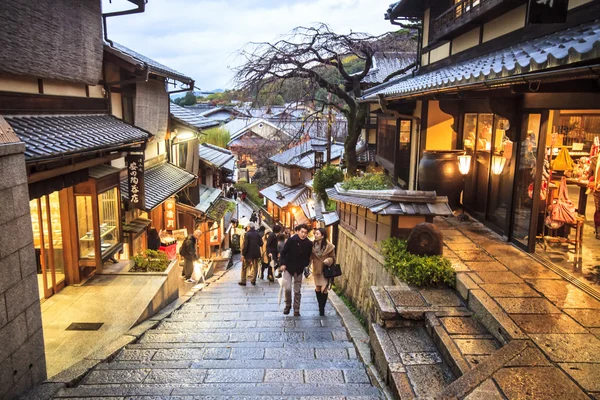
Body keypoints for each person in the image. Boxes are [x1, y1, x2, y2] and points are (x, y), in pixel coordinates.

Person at [279, 224, 313, 316]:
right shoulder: (291, 240)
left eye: (305, 233)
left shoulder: (309, 244)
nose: (303, 234)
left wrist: (306, 264)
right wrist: (282, 264)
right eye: (302, 232)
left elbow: (309, 256)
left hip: (299, 269)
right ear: (298, 231)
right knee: (288, 288)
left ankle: (296, 309)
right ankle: (288, 305)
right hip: (288, 267)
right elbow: (283, 252)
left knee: (297, 290)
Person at [311, 228, 336, 316]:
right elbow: (310, 257)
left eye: (317, 234)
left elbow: (333, 258)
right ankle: (320, 306)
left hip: (325, 270)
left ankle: (322, 308)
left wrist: (328, 261)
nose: (315, 235)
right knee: (318, 288)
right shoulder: (312, 245)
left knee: (324, 289)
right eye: (315, 234)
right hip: (316, 270)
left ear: (322, 235)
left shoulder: (329, 246)